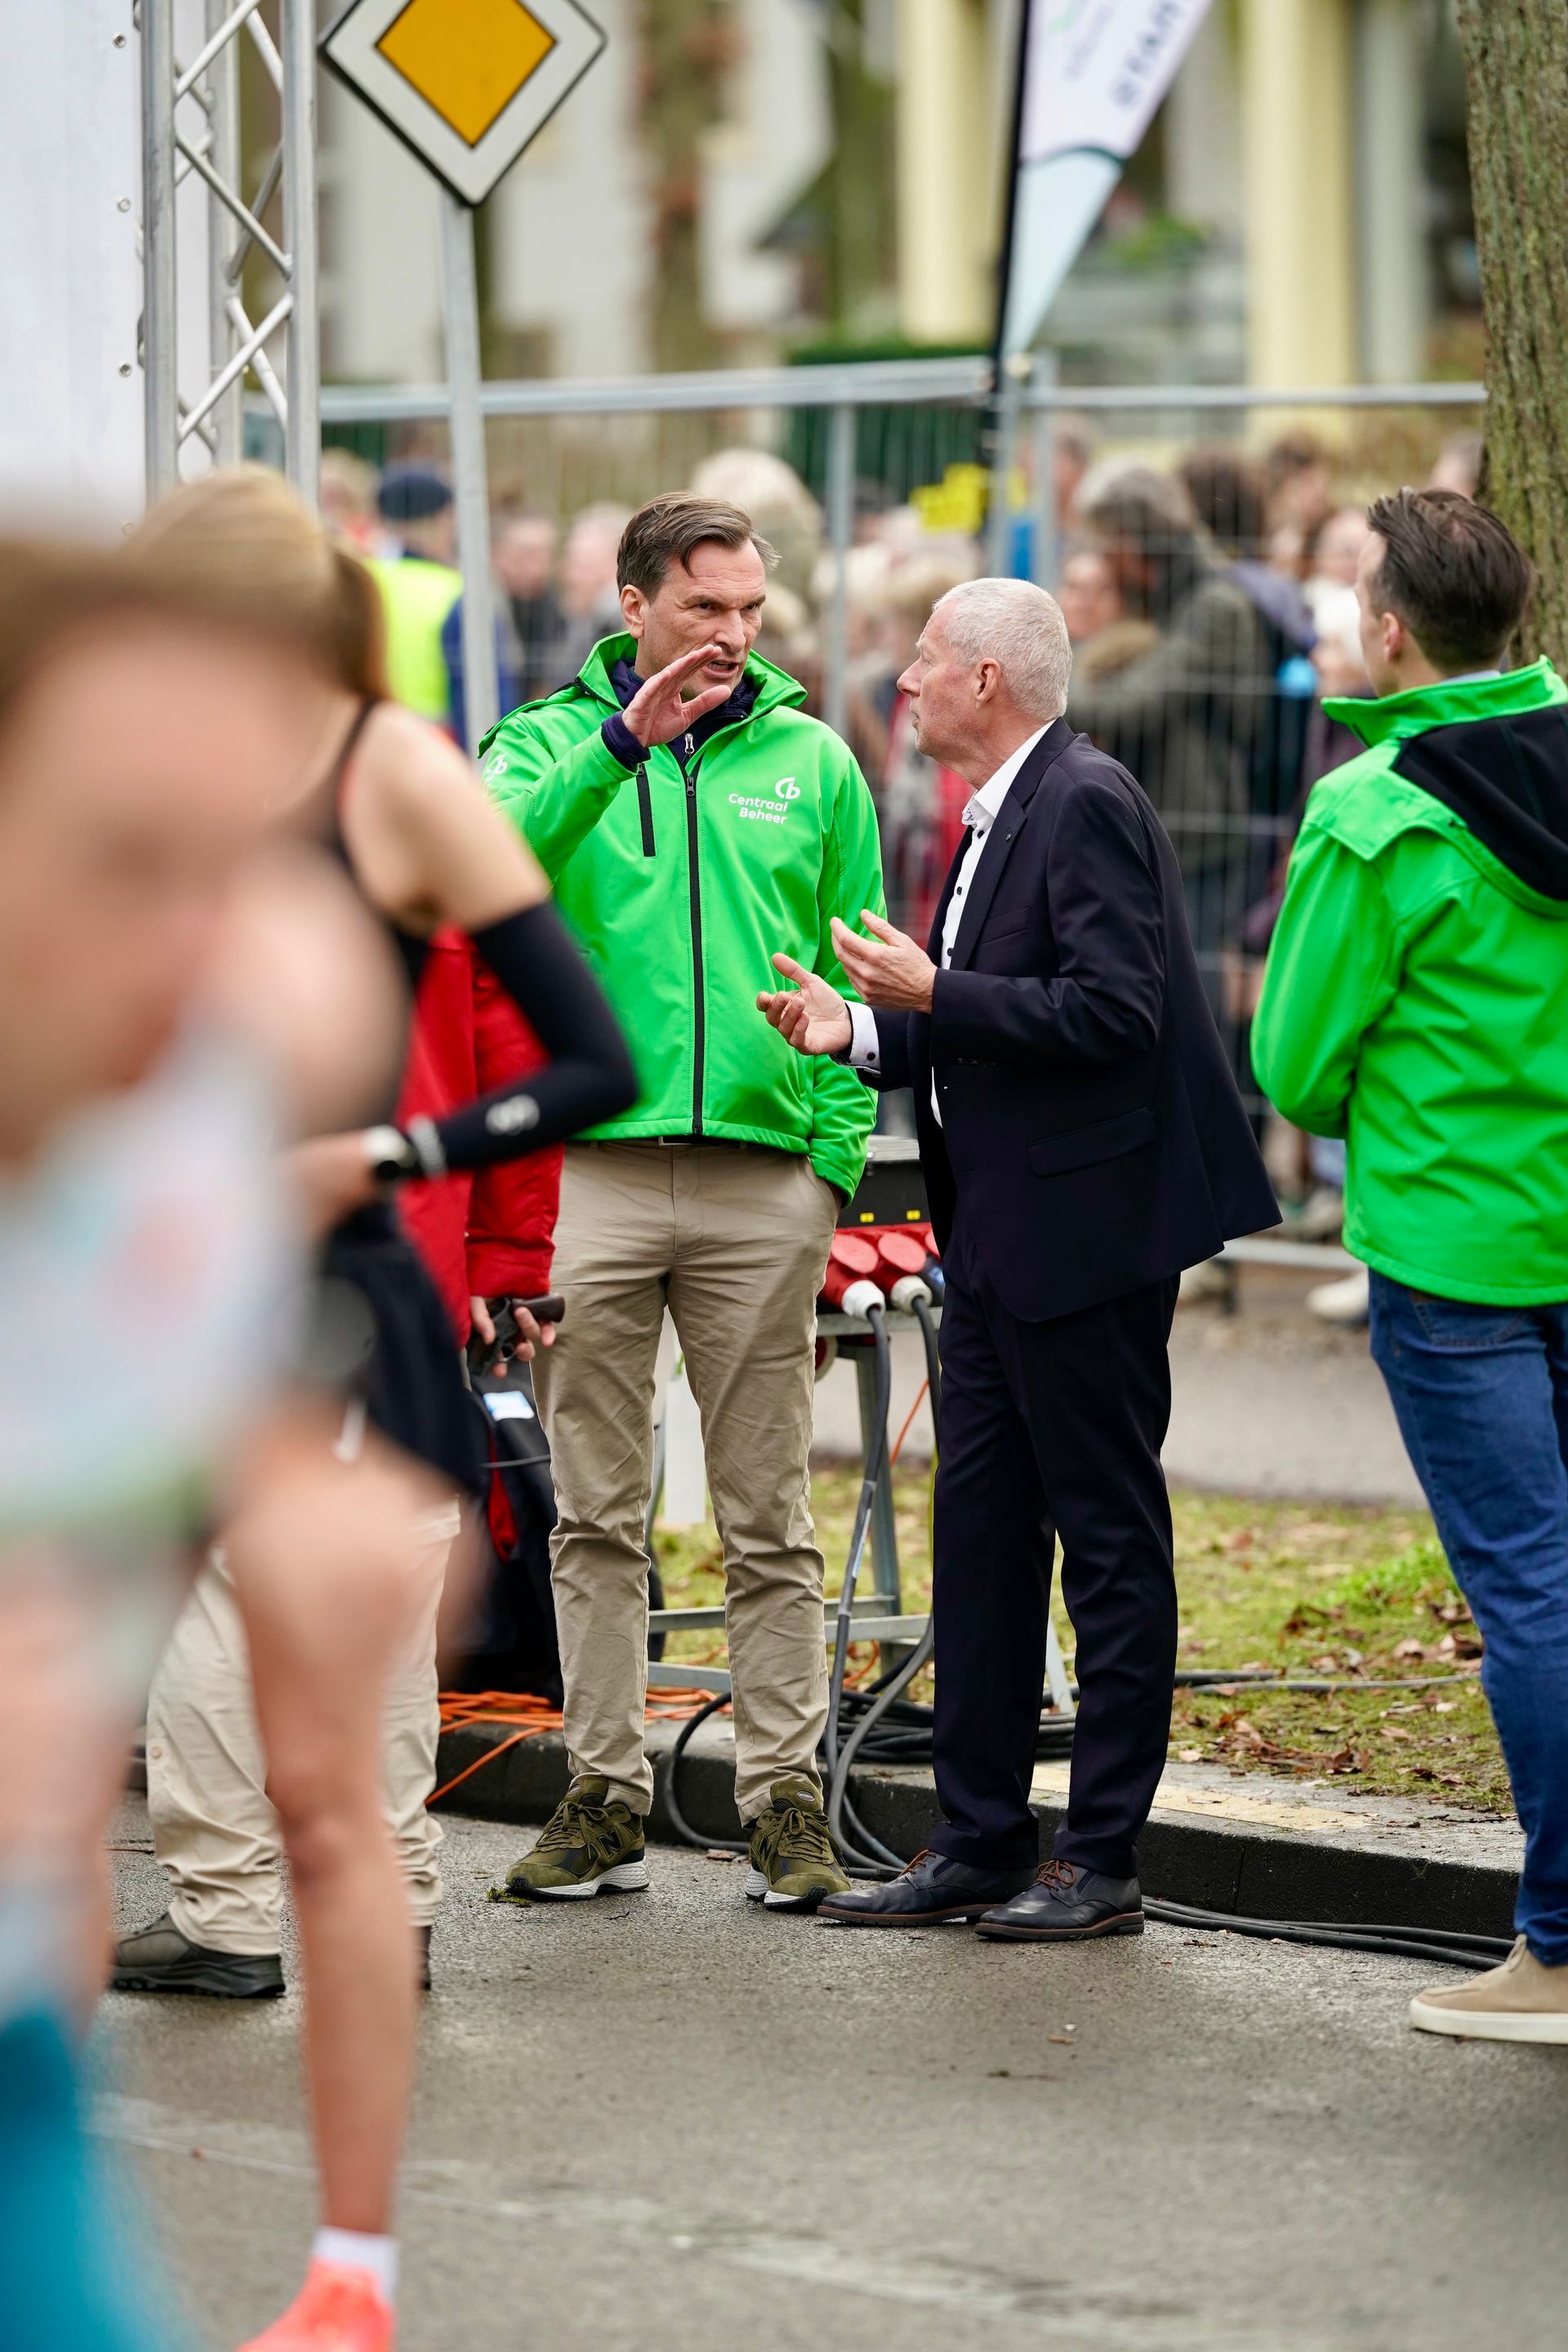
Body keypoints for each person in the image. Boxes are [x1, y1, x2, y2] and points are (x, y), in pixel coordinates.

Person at [114, 467, 635, 2352]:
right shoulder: (131, 773)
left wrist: (390, 1153)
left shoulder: (391, 775)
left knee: (341, 1796)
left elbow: (588, 1057)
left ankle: (354, 2272)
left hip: (336, 1308)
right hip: (140, 1302)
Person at [0, 534, 397, 2352]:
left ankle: (355, 2277)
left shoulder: (188, 1116)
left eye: (235, 862)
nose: (201, 942)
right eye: (124, 859)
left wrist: (277, 1484)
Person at [757, 577, 1276, 1938]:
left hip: (1084, 1240)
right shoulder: (1004, 807)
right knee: (981, 1539)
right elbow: (995, 1021)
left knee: (1106, 1545)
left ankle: (1099, 1860)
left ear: (986, 677)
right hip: (992, 1238)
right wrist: (861, 1032)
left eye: (924, 657)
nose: (903, 678)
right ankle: (978, 1840)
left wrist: (933, 992)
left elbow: (1113, 1012)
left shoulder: (1084, 798)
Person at [482, 492, 884, 1909]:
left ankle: (784, 1805)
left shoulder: (815, 758)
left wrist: (830, 1165)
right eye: (706, 606)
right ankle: (602, 1793)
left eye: (751, 610)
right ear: (635, 602)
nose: (733, 634)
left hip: (763, 1182)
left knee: (769, 1515)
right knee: (595, 1511)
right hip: (587, 1174)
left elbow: (858, 967)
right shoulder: (545, 740)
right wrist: (618, 749)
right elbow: (484, 875)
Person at [1253, 488, 1568, 2044]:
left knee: (1534, 1593)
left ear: (1388, 633)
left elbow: (1297, 1068)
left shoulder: (1373, 812)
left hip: (1461, 1254)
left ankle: (1558, 1952)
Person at [364, 461, 519, 746]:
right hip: (438, 754)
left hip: (367, 751)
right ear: (441, 520)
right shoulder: (459, 593)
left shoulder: (361, 581)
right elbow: (488, 702)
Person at [492, 501, 564, 702]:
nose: (539, 564)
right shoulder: (482, 612)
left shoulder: (562, 611)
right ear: (496, 554)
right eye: (526, 553)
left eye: (547, 553)